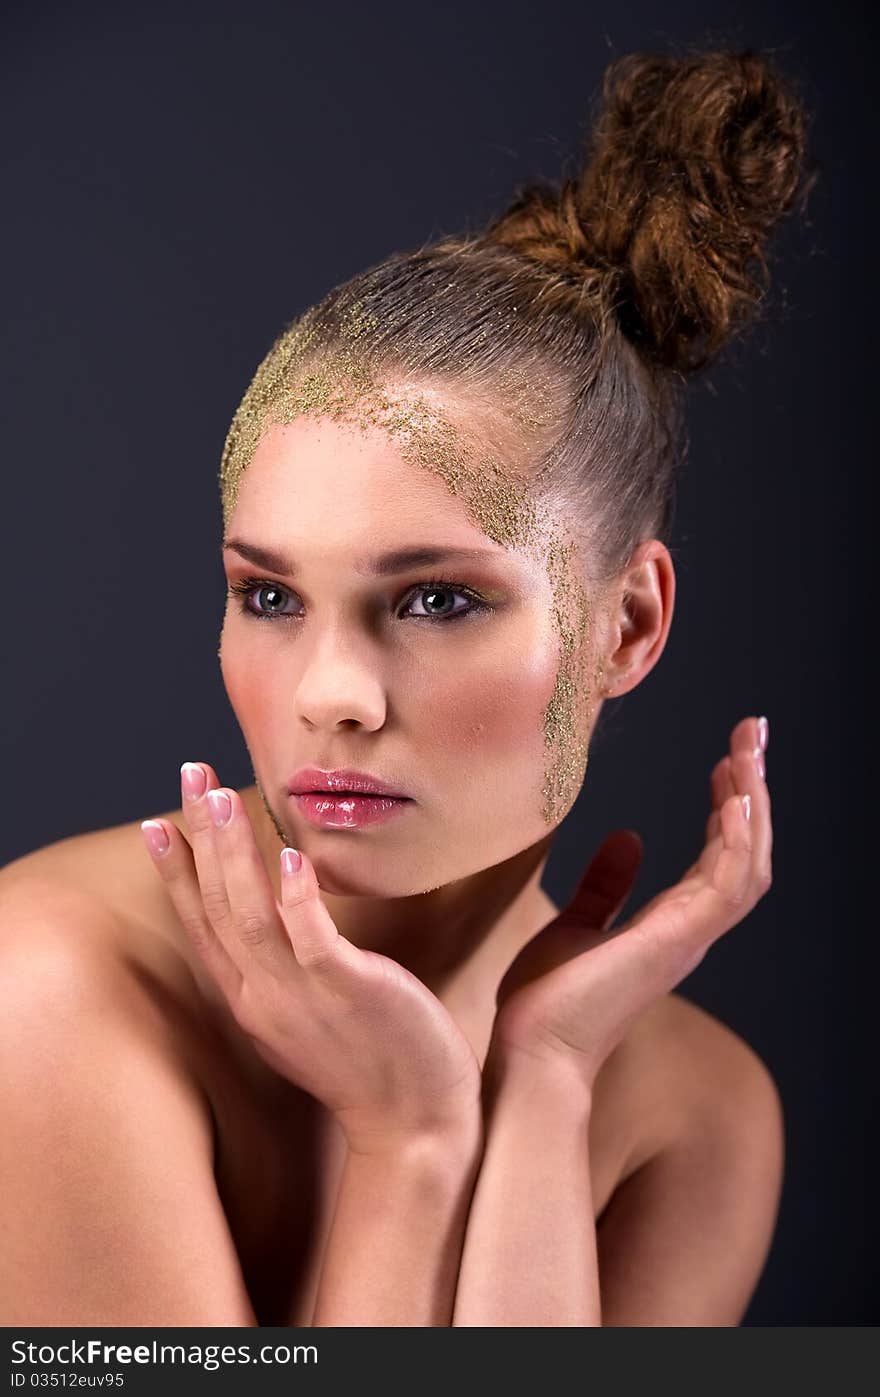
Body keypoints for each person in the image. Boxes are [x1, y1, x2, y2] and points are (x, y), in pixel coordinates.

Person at [0, 45, 816, 1327]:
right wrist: (411, 1147)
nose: (333, 695)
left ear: (629, 622)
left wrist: (537, 1084)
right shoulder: (47, 985)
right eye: (269, 595)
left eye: (436, 599)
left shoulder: (694, 1115)